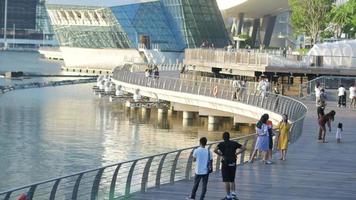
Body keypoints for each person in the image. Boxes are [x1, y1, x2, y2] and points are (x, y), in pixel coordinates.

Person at [214, 132, 246, 200]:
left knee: (226, 180)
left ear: (223, 137)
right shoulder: (234, 143)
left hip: (225, 163)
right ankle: (233, 195)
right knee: (232, 179)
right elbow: (243, 148)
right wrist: (236, 153)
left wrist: (221, 155)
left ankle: (228, 196)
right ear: (229, 137)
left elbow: (215, 150)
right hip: (233, 162)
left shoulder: (221, 144)